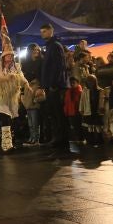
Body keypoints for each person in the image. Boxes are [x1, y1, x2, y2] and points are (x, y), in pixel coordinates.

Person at [0, 44, 27, 152]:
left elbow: (22, 78)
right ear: (3, 56)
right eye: (7, 55)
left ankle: (8, 143)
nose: (10, 56)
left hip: (11, 97)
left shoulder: (16, 66)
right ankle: (6, 145)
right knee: (5, 118)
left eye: (11, 55)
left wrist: (27, 85)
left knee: (11, 119)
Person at [40, 23, 71, 157]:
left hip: (56, 87)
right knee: (54, 115)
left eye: (45, 31)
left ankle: (62, 143)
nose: (42, 33)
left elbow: (59, 67)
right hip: (51, 86)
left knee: (59, 116)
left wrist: (53, 84)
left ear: (51, 31)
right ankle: (58, 140)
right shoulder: (50, 46)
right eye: (41, 31)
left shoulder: (55, 46)